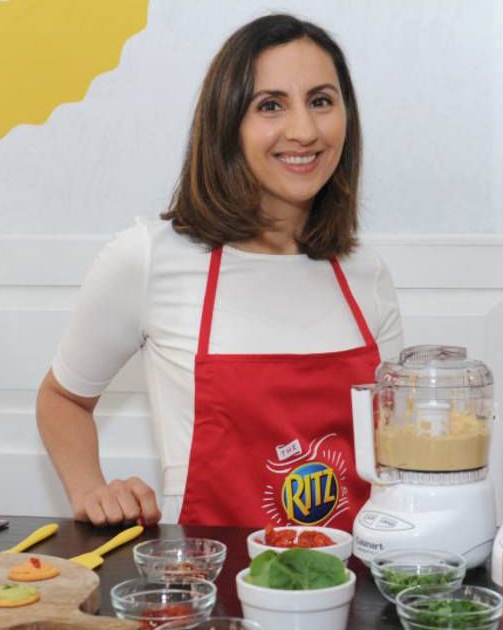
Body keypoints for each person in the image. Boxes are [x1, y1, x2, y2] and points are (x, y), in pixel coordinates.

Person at [36, 14, 404, 529]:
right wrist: (91, 490)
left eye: (321, 100)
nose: (304, 130)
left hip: (349, 590)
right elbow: (62, 399)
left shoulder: (366, 273)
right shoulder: (149, 259)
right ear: (227, 123)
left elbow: (394, 454)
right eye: (270, 105)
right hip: (208, 591)